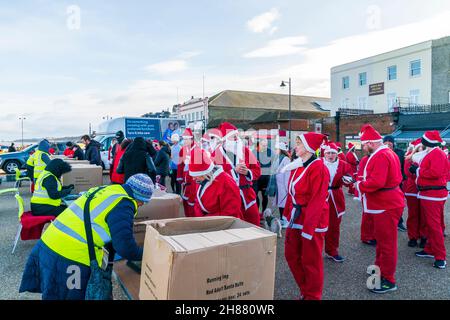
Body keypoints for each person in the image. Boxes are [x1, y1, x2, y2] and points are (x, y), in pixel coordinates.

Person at [20, 174, 154, 300]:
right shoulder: (124, 204)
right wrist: (148, 254)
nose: (141, 205)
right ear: (138, 197)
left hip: (47, 244)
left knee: (54, 293)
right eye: (143, 201)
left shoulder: (108, 190)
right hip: (69, 257)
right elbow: (125, 248)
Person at [355, 124, 405, 293]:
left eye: (364, 144)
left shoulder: (381, 155)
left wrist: (360, 184)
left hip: (386, 204)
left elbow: (377, 182)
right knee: (383, 242)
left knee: (387, 244)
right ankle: (379, 268)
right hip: (386, 203)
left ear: (371, 142)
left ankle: (389, 280)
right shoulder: (385, 153)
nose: (363, 148)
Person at [281, 132, 330, 300]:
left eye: (299, 143)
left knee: (311, 261)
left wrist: (309, 229)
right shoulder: (299, 164)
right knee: (291, 255)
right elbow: (292, 193)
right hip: (297, 216)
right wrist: (287, 215)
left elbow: (317, 200)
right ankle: (305, 290)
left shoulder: (318, 168)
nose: (295, 146)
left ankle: (312, 296)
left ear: (309, 147)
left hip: (312, 220)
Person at [211, 122, 262, 226]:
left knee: (254, 225)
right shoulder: (215, 154)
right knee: (235, 228)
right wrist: (233, 171)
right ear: (225, 139)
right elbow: (213, 177)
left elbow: (257, 171)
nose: (237, 139)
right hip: (228, 199)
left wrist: (248, 172)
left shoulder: (245, 151)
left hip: (248, 196)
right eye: (233, 137)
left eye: (237, 136)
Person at [412, 131, 449, 269]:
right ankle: (430, 249)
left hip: (433, 195)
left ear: (427, 141)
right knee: (431, 224)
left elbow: (435, 172)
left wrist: (418, 171)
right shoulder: (434, 152)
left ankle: (440, 257)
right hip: (430, 194)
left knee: (434, 226)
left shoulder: (436, 153)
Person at [189, 147, 244, 219]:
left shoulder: (226, 183)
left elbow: (230, 212)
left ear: (205, 173)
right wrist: (200, 218)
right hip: (206, 222)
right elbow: (198, 202)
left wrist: (207, 219)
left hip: (223, 225)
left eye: (196, 176)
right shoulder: (200, 180)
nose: (193, 179)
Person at [323, 142, 353, 263]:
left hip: (335, 197)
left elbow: (349, 179)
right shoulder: (318, 163)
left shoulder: (343, 165)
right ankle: (313, 251)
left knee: (334, 226)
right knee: (317, 225)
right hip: (320, 197)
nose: (330, 155)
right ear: (324, 154)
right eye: (328, 153)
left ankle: (332, 251)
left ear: (337, 154)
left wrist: (348, 180)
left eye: (333, 153)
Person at [404, 138, 426, 248]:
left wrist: (419, 172)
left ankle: (423, 236)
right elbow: (408, 173)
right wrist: (418, 172)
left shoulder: (427, 157)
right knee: (413, 215)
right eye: (419, 148)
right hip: (412, 190)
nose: (421, 150)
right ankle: (413, 236)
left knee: (423, 215)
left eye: (422, 148)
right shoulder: (409, 157)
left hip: (423, 190)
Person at [383, 135, 407, 232]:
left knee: (398, 204)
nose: (388, 143)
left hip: (397, 183)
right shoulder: (380, 152)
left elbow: (404, 166)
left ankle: (399, 222)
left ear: (393, 143)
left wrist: (403, 178)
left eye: (390, 141)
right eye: (386, 141)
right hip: (384, 184)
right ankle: (386, 222)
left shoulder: (400, 152)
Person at [357, 146, 376, 246]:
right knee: (367, 215)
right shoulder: (365, 159)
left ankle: (373, 235)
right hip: (367, 190)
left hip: (375, 191)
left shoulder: (376, 158)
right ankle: (366, 236)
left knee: (373, 216)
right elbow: (360, 175)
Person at [177, 128, 198, 217]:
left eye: (186, 139)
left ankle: (194, 220)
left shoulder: (197, 148)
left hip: (195, 180)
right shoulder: (182, 149)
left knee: (193, 202)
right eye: (183, 139)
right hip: (186, 180)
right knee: (186, 201)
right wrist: (180, 177)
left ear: (192, 139)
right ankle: (188, 218)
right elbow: (180, 165)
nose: (184, 141)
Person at [270, 141, 291, 226]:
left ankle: (285, 220)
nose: (275, 150)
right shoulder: (278, 158)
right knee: (280, 202)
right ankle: (282, 218)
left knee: (284, 203)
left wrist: (287, 187)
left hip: (283, 184)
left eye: (276, 149)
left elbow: (287, 172)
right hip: (279, 184)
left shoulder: (286, 159)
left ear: (281, 149)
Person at [254, 138, 274, 212]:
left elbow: (274, 162)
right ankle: (257, 211)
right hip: (257, 177)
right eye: (263, 145)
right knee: (255, 195)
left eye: (265, 145)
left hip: (266, 177)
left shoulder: (270, 152)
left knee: (264, 195)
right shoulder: (254, 152)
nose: (264, 147)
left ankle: (263, 212)